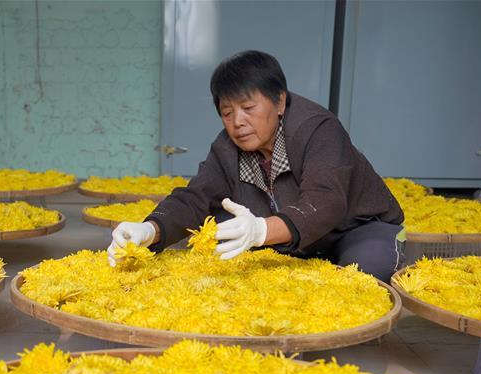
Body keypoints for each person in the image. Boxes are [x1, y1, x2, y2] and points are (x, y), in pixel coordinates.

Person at [107, 50, 405, 283]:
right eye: (227, 112)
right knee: (214, 247)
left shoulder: (317, 129)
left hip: (353, 228)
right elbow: (196, 197)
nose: (238, 122)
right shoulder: (228, 147)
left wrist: (261, 230)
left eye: (248, 108)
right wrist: (151, 229)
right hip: (288, 237)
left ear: (279, 102)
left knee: (366, 270)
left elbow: (325, 202)